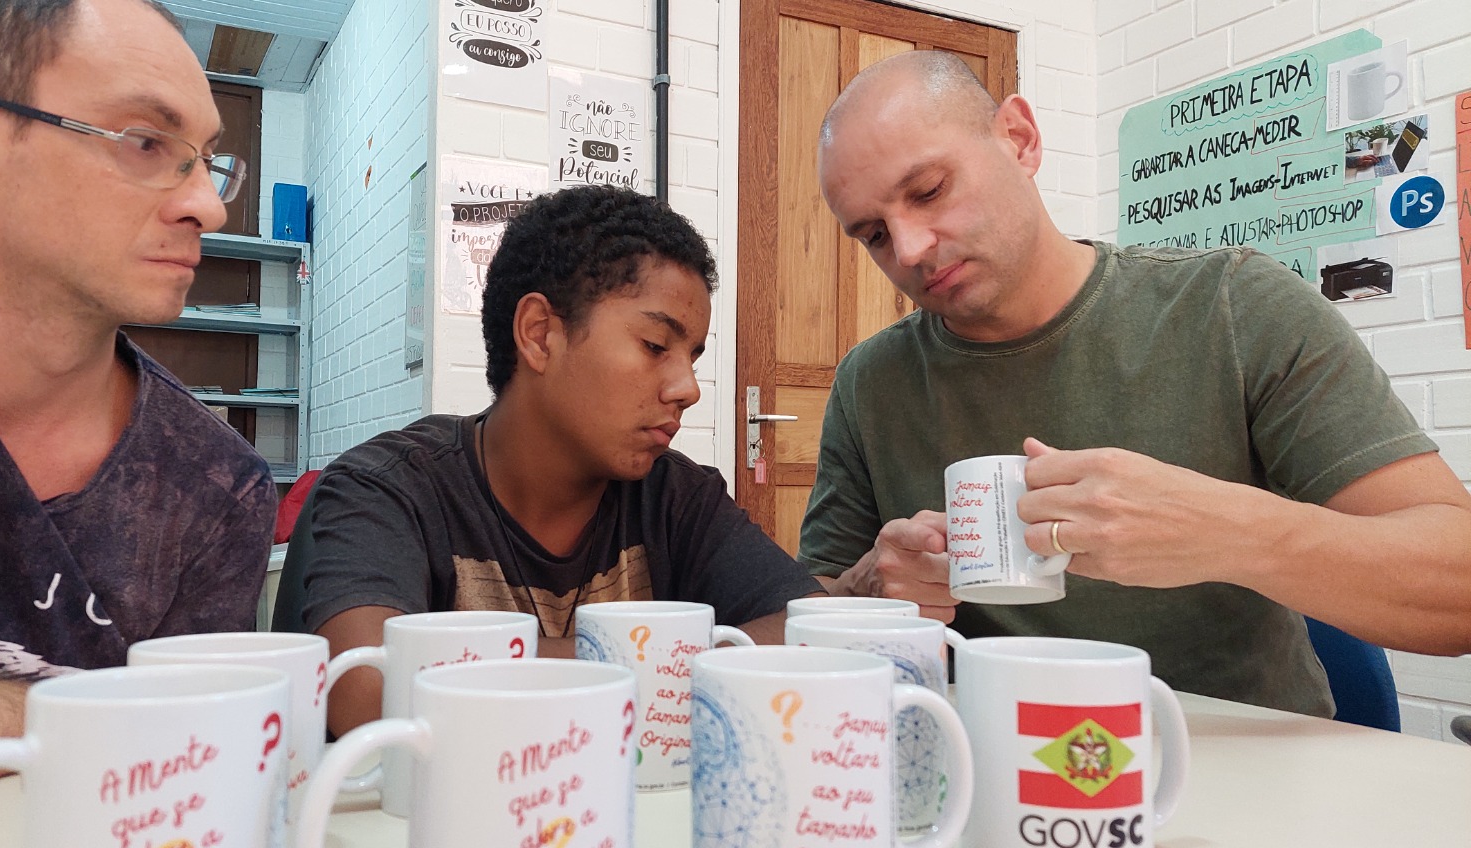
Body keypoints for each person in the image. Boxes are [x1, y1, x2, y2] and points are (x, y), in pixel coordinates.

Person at [802, 50, 1471, 716]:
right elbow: (805, 616)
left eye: (928, 191)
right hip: (1001, 766)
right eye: (874, 235)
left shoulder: (1234, 306)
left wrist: (1224, 530)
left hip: (1249, 779)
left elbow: (1458, 588)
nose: (910, 248)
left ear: (1020, 139)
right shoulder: (872, 382)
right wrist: (868, 591)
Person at [0, 0, 277, 800]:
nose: (210, 207)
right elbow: (154, 731)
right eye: (146, 142)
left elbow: (181, 781)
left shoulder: (215, 490)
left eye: (206, 160)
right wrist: (100, 716)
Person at [280, 185, 822, 736]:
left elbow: (810, 635)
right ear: (540, 335)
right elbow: (365, 690)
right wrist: (667, 663)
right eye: (657, 346)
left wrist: (474, 669)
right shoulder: (390, 488)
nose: (688, 388)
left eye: (693, 357)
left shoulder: (677, 497)